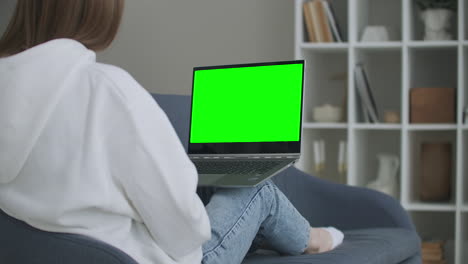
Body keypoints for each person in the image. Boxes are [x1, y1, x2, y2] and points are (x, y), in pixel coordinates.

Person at [0, 1, 343, 264]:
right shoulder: (108, 89)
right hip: (139, 257)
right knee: (255, 192)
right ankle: (316, 239)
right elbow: (184, 232)